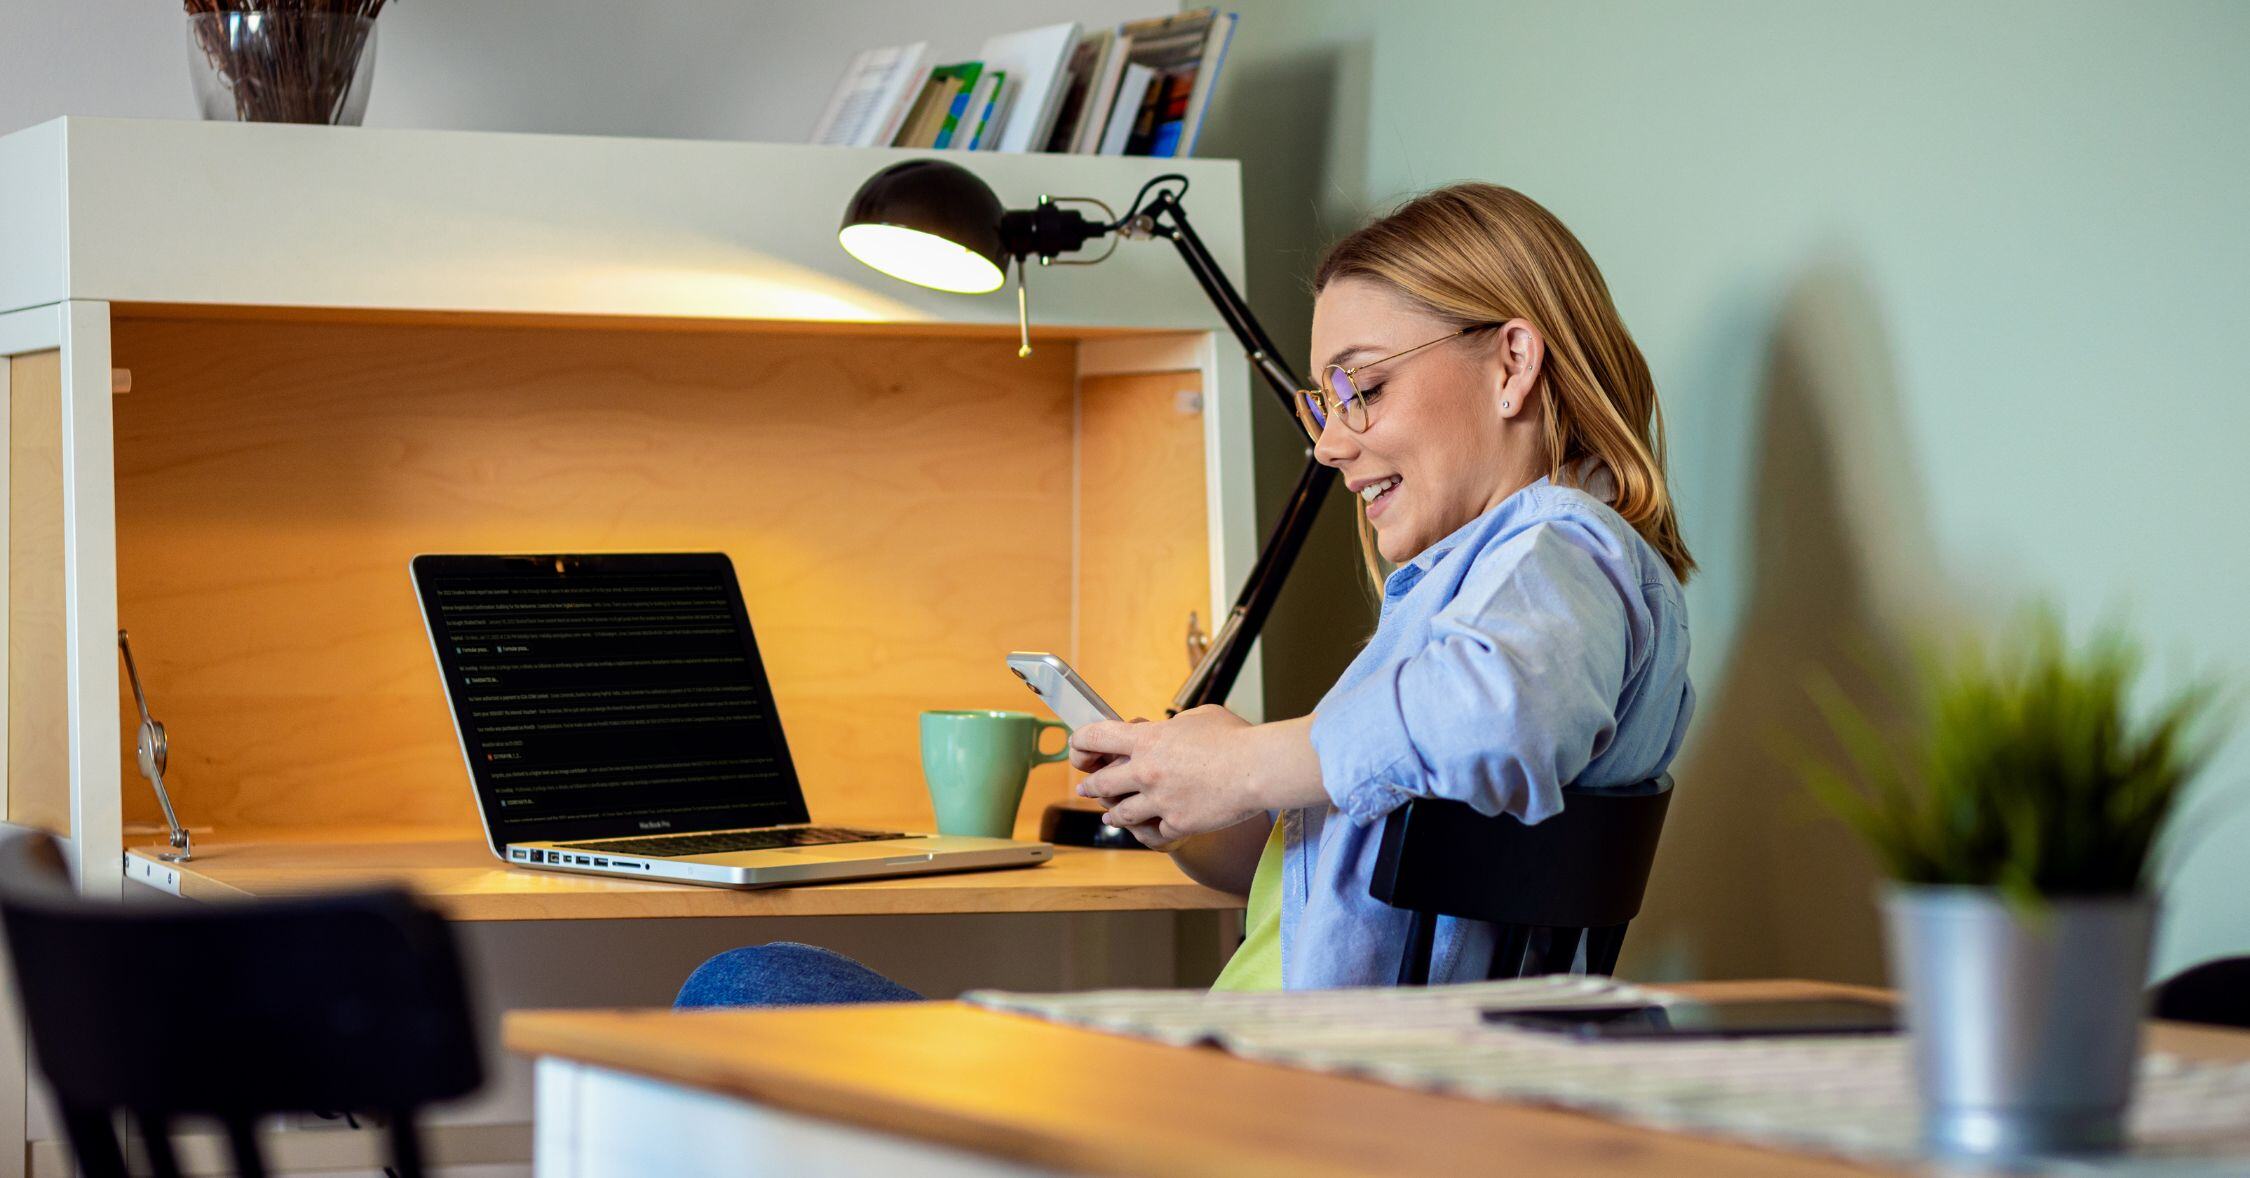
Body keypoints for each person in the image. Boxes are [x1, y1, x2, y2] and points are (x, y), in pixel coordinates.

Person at [675, 182, 1694, 1006]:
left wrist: (1253, 759)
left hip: (1270, 1109)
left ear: (1513, 361)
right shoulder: (1496, 592)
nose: (1330, 442)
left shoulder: (1567, 548)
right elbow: (1382, 867)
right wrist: (1193, 798)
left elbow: (1498, 717)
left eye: (1363, 387)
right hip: (1257, 1083)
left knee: (750, 985)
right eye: (1321, 400)